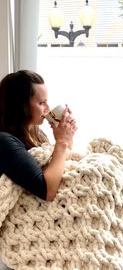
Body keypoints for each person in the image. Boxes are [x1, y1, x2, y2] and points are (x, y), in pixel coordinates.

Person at [0, 70, 77, 201]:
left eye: (47, 102)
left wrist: (68, 137)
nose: (48, 107)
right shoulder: (4, 141)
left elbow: (61, 165)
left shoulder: (36, 133)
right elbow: (47, 191)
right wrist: (61, 142)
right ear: (21, 106)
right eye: (42, 103)